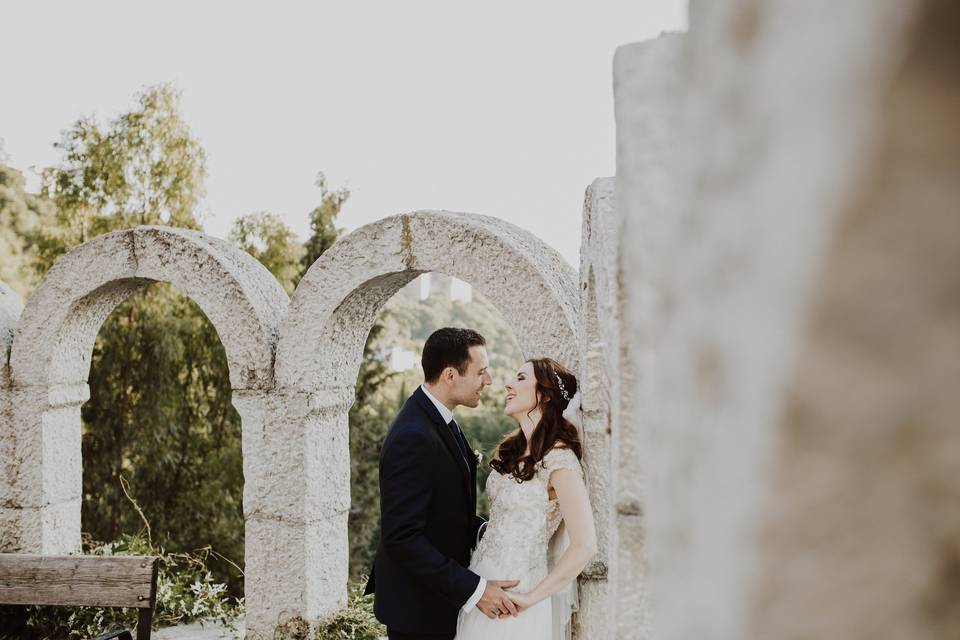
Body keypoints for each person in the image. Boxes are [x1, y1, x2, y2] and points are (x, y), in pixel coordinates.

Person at [365, 327, 521, 639]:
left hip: (437, 602)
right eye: (481, 372)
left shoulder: (439, 417)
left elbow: (441, 507)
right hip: (419, 610)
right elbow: (402, 538)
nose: (488, 381)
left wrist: (482, 529)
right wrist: (476, 590)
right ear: (450, 375)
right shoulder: (413, 436)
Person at [456, 357, 597, 640]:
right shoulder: (514, 451)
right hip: (482, 584)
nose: (508, 384)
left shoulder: (560, 461)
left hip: (516, 600)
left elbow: (584, 546)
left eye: (520, 378)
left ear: (544, 395)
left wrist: (531, 598)